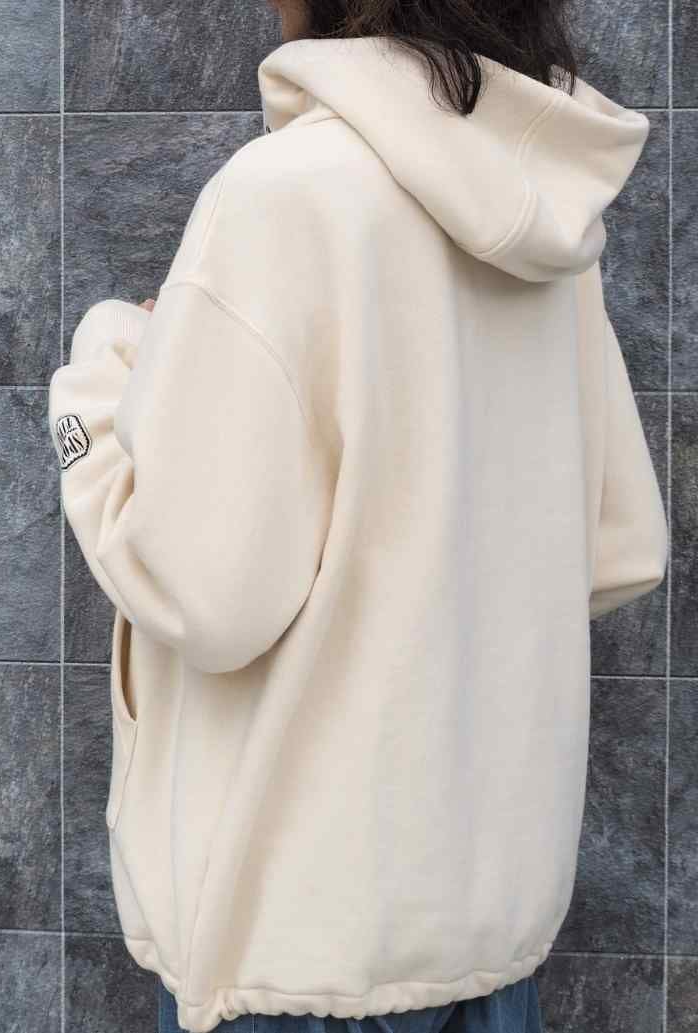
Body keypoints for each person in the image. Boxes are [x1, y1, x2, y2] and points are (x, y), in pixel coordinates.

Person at [47, 1, 668, 1032]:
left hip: (300, 960)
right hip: (487, 946)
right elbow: (620, 548)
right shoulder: (548, 213)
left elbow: (199, 593)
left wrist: (105, 378)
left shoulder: (282, 196)